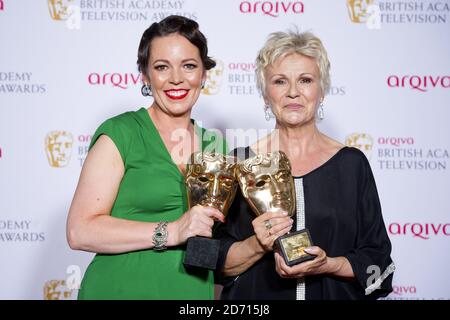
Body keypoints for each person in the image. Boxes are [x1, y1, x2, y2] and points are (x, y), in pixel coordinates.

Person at [214, 29, 395, 300]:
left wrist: (329, 264)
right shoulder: (241, 164)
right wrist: (257, 244)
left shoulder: (351, 165)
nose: (293, 93)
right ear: (266, 94)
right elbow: (213, 263)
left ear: (321, 91)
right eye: (280, 82)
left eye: (305, 80)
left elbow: (380, 268)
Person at [66, 15, 226, 299]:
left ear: (203, 74)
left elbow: (218, 244)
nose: (176, 78)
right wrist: (172, 231)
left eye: (188, 66)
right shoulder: (121, 133)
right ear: (145, 75)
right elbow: (80, 231)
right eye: (162, 67)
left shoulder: (217, 146)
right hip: (118, 290)